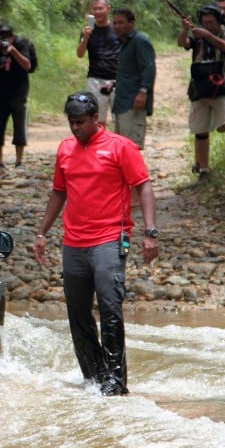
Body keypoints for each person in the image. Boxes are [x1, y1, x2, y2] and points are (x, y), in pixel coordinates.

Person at [33, 91, 158, 396]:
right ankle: (94, 377)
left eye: (80, 122)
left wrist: (150, 232)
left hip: (110, 240)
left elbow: (143, 186)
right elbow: (59, 193)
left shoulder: (120, 147)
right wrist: (42, 233)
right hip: (73, 243)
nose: (75, 128)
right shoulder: (65, 150)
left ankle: (116, 381)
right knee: (77, 313)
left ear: (95, 119)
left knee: (110, 306)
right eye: (71, 123)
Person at [178, 5, 225, 179]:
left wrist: (206, 35)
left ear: (219, 21)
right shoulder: (197, 37)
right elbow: (183, 43)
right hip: (199, 87)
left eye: (211, 22)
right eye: (204, 22)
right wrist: (185, 30)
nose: (207, 25)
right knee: (200, 130)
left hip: (221, 87)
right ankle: (203, 169)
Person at [0, 22, 38, 172]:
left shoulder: (22, 44)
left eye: (6, 39)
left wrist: (13, 51)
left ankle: (19, 161)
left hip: (19, 91)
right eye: (0, 39)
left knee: (19, 126)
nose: (3, 41)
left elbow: (28, 66)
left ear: (12, 37)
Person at [110, 7, 155, 152]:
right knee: (121, 145)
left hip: (133, 101)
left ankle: (136, 175)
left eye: (120, 23)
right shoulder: (124, 43)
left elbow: (148, 68)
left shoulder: (139, 41)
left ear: (131, 23)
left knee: (131, 147)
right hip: (121, 101)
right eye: (114, 23)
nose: (116, 26)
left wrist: (143, 92)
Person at [76, 0, 120, 126]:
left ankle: (119, 146)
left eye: (100, 8)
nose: (97, 12)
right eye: (94, 9)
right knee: (96, 121)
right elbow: (80, 53)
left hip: (117, 79)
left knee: (120, 119)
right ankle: (99, 146)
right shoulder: (88, 31)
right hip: (95, 79)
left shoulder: (118, 28)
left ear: (108, 9)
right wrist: (85, 38)